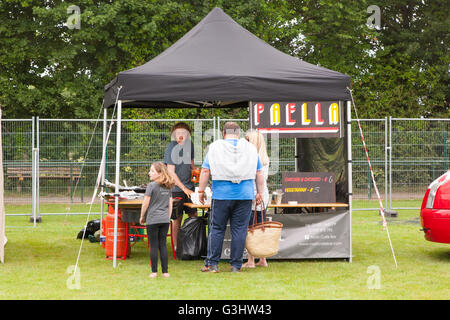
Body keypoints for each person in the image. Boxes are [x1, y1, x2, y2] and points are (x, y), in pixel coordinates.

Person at [198, 122, 264, 273]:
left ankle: (212, 264)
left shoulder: (214, 147)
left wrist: (201, 191)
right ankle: (236, 265)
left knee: (217, 228)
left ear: (223, 133)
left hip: (221, 195)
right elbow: (259, 172)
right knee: (240, 230)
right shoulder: (251, 149)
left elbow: (205, 170)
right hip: (245, 195)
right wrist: (259, 192)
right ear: (238, 133)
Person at [163, 122, 198, 251]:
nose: (181, 135)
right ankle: (177, 248)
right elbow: (170, 172)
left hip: (190, 188)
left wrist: (198, 172)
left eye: (183, 133)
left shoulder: (190, 146)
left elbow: (192, 165)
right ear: (173, 135)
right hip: (176, 189)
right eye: (178, 133)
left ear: (188, 134)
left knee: (194, 216)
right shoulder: (171, 147)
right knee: (177, 219)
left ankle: (193, 246)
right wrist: (184, 189)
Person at [139, 162, 174, 278]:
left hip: (153, 219)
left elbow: (145, 203)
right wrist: (167, 217)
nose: (149, 173)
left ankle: (154, 272)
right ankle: (165, 272)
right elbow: (170, 204)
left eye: (152, 171)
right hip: (164, 220)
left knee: (153, 245)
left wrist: (142, 216)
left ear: (159, 173)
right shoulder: (168, 186)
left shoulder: (151, 186)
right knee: (162, 245)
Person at [242, 129, 270, 268]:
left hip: (253, 196)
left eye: (247, 140)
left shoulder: (251, 158)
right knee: (261, 227)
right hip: (262, 196)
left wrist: (255, 194)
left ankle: (251, 260)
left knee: (250, 228)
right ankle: (262, 259)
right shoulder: (265, 159)